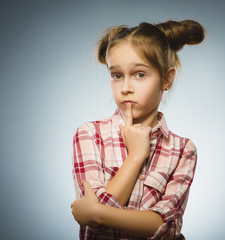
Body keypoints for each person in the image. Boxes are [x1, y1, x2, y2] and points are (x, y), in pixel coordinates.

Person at [71, 19, 205, 239]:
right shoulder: (90, 134)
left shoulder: (183, 150)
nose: (125, 88)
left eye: (140, 74)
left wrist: (97, 213)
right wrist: (136, 156)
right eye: (117, 75)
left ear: (166, 79)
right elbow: (96, 224)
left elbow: (166, 227)